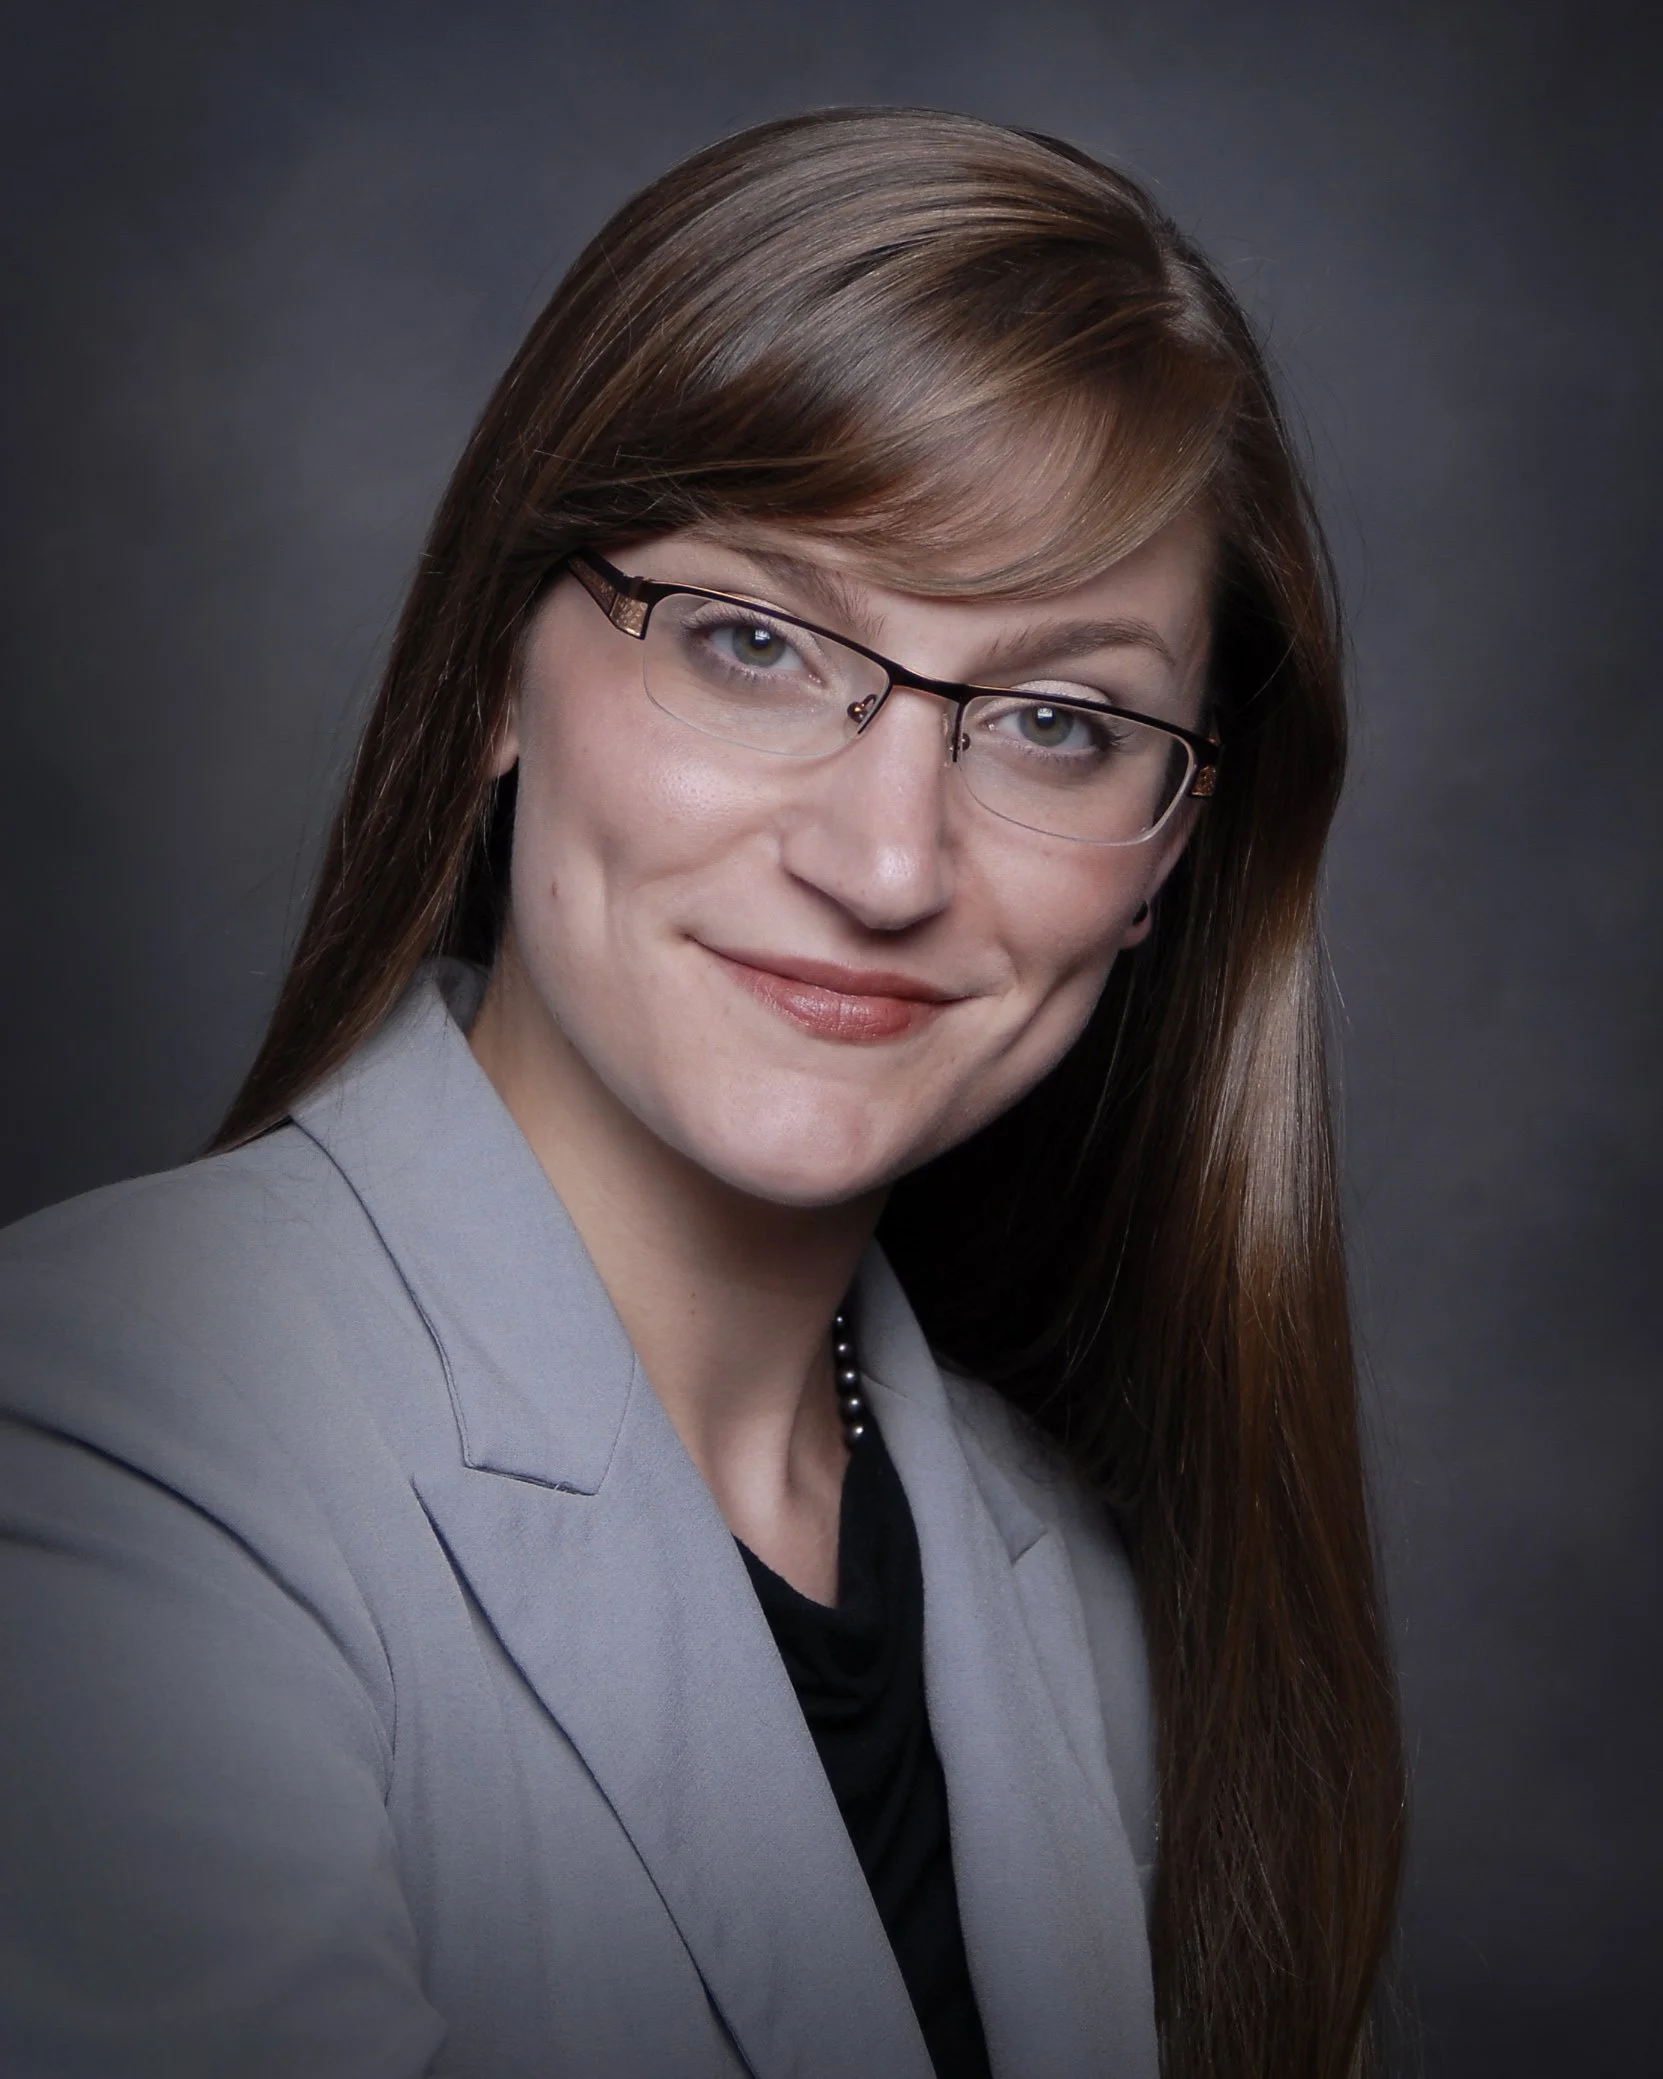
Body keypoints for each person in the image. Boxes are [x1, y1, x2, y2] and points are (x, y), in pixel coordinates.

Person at [0, 107, 1404, 2079]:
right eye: (756, 640)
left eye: (1056, 721)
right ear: (496, 677)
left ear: (1169, 849)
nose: (887, 861)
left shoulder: (1077, 1595)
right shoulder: (108, 1436)